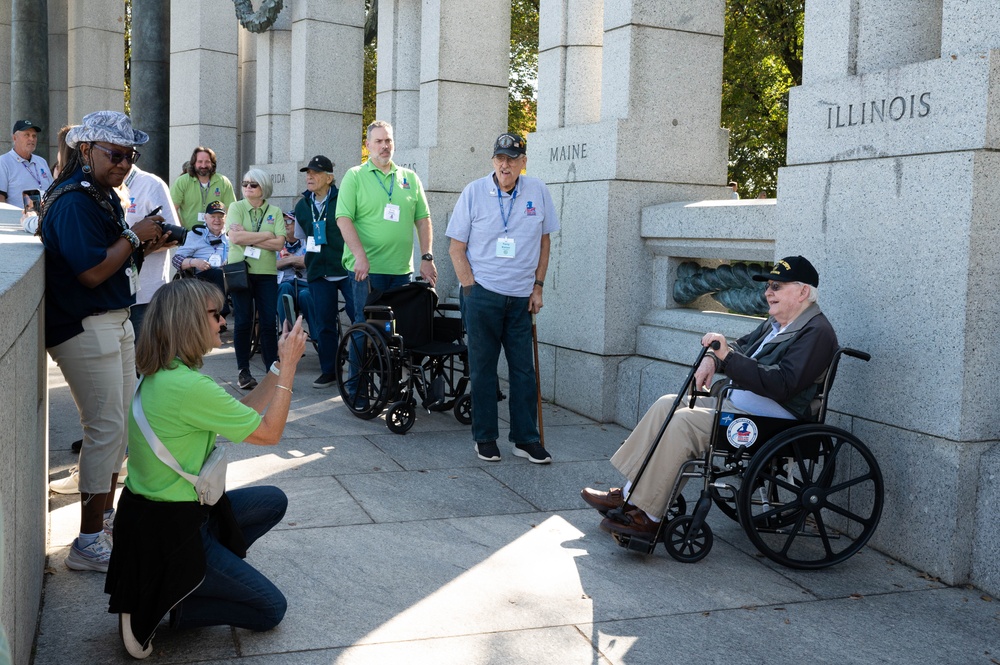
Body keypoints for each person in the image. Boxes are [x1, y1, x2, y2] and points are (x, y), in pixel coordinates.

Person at [105, 278, 307, 659]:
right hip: (173, 532)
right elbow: (269, 433)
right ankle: (172, 600)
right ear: (189, 322)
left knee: (272, 500)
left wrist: (279, 366)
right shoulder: (189, 388)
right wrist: (293, 368)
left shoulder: (165, 375)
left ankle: (195, 577)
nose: (223, 322)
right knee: (269, 609)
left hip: (148, 517)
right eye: (215, 315)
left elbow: (243, 413)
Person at [580, 256, 838, 538]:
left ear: (803, 292)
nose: (768, 292)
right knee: (667, 404)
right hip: (744, 406)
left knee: (684, 423)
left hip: (775, 422)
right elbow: (742, 347)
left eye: (776, 286)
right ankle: (630, 495)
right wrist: (714, 360)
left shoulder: (817, 332)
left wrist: (725, 355)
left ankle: (650, 516)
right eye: (767, 286)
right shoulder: (777, 323)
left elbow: (782, 384)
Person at [40, 110, 170, 572]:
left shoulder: (99, 194)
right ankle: (88, 540)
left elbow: (113, 258)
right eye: (115, 154)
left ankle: (106, 518)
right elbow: (92, 271)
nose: (123, 164)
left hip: (112, 318)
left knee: (120, 425)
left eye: (130, 156)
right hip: (85, 323)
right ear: (86, 150)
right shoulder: (75, 201)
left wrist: (142, 241)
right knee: (106, 428)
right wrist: (136, 236)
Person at [446, 133, 559, 464]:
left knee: (524, 371)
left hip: (521, 298)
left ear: (523, 162)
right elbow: (456, 246)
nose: (505, 164)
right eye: (500, 158)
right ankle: (485, 437)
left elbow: (544, 242)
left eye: (512, 158)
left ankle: (525, 439)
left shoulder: (537, 191)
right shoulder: (474, 192)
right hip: (483, 295)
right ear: (493, 161)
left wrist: (538, 286)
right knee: (483, 370)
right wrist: (470, 287)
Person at [336, 120, 437, 320]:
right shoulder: (354, 176)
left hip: (401, 272)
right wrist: (359, 256)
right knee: (365, 329)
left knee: (401, 332)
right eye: (379, 141)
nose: (385, 146)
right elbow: (343, 219)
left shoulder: (410, 177)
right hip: (367, 271)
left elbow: (423, 219)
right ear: (368, 145)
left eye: (388, 140)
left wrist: (427, 257)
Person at [293, 155, 353, 388]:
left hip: (346, 268)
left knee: (358, 318)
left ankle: (360, 366)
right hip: (318, 271)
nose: (310, 177)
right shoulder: (302, 205)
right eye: (308, 173)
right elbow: (301, 236)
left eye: (315, 173)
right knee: (324, 323)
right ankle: (330, 369)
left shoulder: (344, 199)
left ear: (329, 178)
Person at [227, 169, 285, 390]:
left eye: (253, 184)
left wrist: (248, 238)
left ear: (263, 188)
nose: (248, 187)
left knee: (269, 322)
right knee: (243, 320)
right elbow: (234, 237)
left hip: (266, 273)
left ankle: (272, 371)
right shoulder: (236, 207)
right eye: (245, 183)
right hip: (240, 270)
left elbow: (279, 244)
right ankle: (243, 371)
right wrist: (266, 236)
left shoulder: (275, 211)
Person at [123, 163, 183, 338]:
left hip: (145, 296)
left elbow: (174, 236)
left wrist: (137, 245)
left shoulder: (151, 184)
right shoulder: (100, 185)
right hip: (111, 296)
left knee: (143, 360)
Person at [172, 200, 230, 312]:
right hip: (203, 277)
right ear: (205, 218)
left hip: (229, 275)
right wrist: (195, 262)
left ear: (225, 218)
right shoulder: (195, 235)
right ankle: (221, 313)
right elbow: (176, 260)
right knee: (217, 273)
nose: (217, 220)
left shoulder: (231, 235)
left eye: (220, 216)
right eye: (213, 216)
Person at [170, 146, 236, 229]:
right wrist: (181, 230)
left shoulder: (223, 182)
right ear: (194, 163)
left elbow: (231, 210)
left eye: (207, 162)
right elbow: (172, 209)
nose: (203, 165)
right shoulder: (182, 181)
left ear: (213, 163)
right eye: (200, 162)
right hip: (189, 235)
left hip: (216, 235)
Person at [276, 213, 317, 336]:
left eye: (289, 222)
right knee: (285, 289)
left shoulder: (309, 241)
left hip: (305, 283)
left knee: (306, 295)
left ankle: (318, 337)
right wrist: (296, 260)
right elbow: (271, 265)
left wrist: (290, 260)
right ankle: (289, 335)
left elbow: (313, 262)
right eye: (283, 221)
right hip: (285, 283)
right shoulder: (276, 242)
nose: (285, 225)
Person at [0, 119, 53, 208]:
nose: (31, 139)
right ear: (15, 138)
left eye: (34, 136)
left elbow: (52, 191)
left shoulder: (41, 162)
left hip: (45, 219)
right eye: (27, 135)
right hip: (17, 220)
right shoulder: (3, 162)